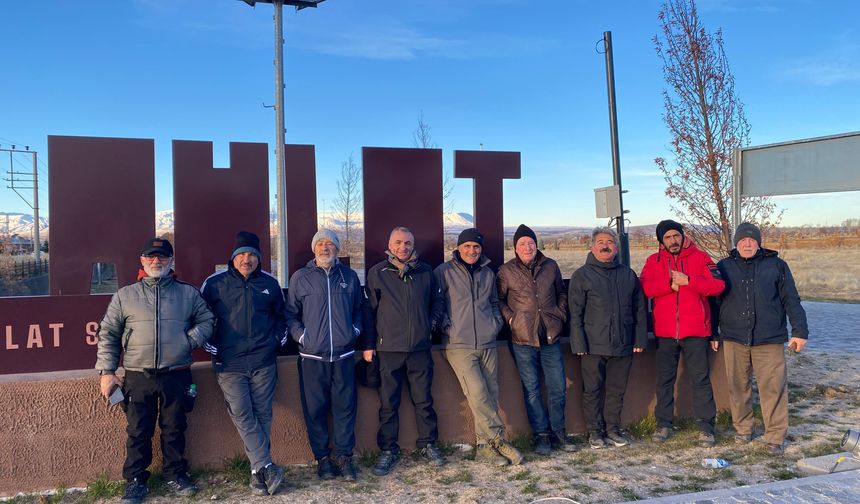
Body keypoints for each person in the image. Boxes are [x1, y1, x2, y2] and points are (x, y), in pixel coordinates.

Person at [96, 238, 214, 504]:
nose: (156, 261)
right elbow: (108, 333)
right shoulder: (125, 296)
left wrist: (188, 341)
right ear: (142, 260)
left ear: (171, 261)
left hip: (177, 372)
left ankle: (175, 474)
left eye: (162, 256)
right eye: (151, 256)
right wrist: (106, 370)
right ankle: (136, 481)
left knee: (175, 428)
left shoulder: (188, 293)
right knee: (138, 430)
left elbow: (208, 320)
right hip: (138, 374)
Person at [201, 231, 288, 495]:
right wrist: (212, 345)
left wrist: (275, 341)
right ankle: (266, 465)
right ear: (233, 257)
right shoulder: (214, 284)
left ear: (259, 258)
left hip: (263, 360)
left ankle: (256, 474)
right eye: (241, 254)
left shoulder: (270, 284)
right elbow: (200, 318)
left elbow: (282, 317)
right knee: (242, 414)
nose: (246, 259)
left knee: (262, 414)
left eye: (252, 255)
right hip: (230, 364)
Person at [716, 222, 809, 455]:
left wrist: (800, 331)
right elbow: (713, 303)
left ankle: (775, 436)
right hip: (734, 337)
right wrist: (711, 333)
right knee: (738, 387)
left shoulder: (777, 266)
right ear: (736, 243)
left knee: (773, 388)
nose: (747, 243)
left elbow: (791, 299)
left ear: (759, 242)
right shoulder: (724, 266)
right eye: (743, 240)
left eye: (752, 240)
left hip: (769, 338)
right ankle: (743, 429)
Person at [434, 228, 524, 466]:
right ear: (458, 247)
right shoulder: (443, 272)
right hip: (458, 344)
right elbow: (436, 304)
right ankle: (499, 439)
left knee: (491, 393)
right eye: (467, 246)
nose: (472, 251)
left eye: (476, 247)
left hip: (487, 341)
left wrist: (494, 324)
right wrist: (447, 327)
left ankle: (484, 448)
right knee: (477, 392)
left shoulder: (488, 273)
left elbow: (494, 302)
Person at [362, 226, 446, 476]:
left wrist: (429, 326)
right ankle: (388, 450)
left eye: (408, 243)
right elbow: (369, 311)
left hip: (420, 349)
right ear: (390, 244)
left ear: (413, 245)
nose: (403, 247)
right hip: (389, 349)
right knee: (389, 403)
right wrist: (368, 344)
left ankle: (429, 444)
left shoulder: (425, 272)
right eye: (398, 242)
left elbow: (437, 302)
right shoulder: (378, 273)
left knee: (424, 400)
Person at [286, 229, 363, 480]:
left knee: (345, 408)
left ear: (337, 249)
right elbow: (291, 314)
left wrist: (354, 331)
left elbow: (360, 311)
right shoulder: (301, 278)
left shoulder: (349, 277)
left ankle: (344, 458)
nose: (325, 248)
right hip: (312, 358)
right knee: (315, 410)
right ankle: (323, 459)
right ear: (313, 249)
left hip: (343, 356)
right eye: (320, 243)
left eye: (330, 243)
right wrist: (303, 337)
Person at [640, 220, 725, 447]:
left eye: (675, 236)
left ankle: (706, 427)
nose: (673, 241)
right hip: (666, 333)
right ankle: (663, 424)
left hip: (696, 331)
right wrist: (669, 284)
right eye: (667, 237)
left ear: (682, 236)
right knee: (665, 381)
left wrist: (690, 281)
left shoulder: (701, 258)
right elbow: (645, 288)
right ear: (661, 241)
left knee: (700, 380)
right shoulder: (653, 261)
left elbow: (718, 286)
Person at [497, 224, 575, 455]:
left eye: (530, 242)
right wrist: (511, 319)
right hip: (522, 339)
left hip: (550, 335)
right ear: (515, 248)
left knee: (558, 387)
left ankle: (558, 432)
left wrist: (559, 314)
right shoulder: (506, 271)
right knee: (531, 389)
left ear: (536, 245)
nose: (527, 247)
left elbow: (562, 292)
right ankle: (541, 435)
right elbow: (499, 300)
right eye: (522, 244)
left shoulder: (550, 266)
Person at [569, 227, 647, 449]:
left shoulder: (627, 275)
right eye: (601, 241)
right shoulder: (582, 275)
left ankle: (612, 429)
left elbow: (639, 309)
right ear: (592, 246)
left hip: (623, 343)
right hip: (593, 345)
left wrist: (639, 339)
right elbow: (575, 313)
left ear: (616, 247)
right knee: (592, 391)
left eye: (610, 241)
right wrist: (579, 342)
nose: (605, 245)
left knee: (616, 391)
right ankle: (595, 432)